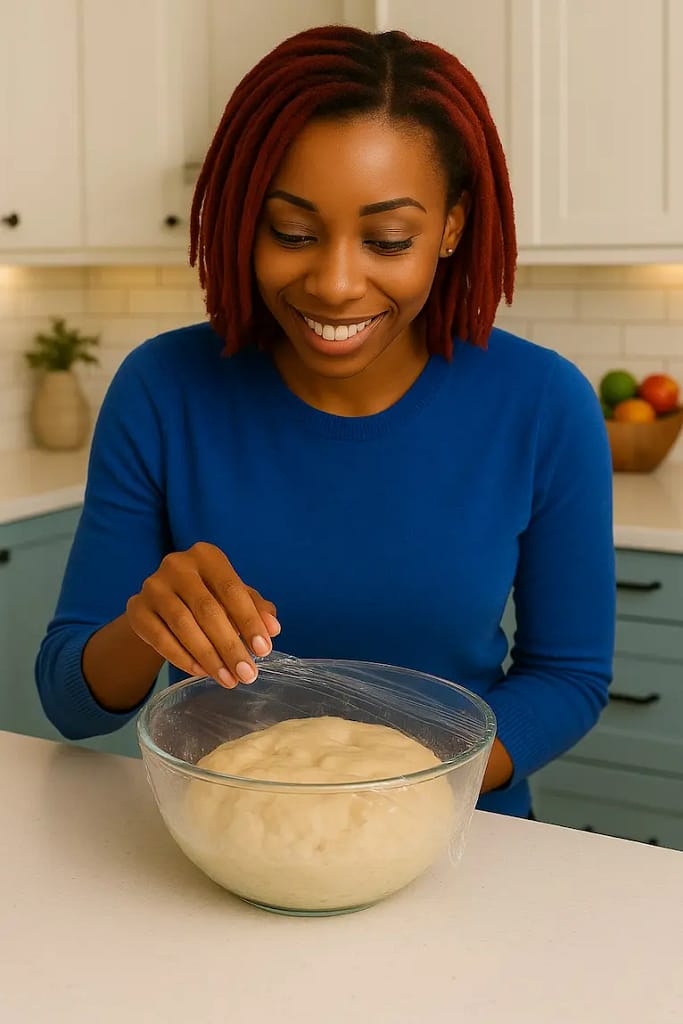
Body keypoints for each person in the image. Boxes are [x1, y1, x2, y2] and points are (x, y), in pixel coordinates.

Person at [35, 25, 615, 818]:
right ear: (245, 219)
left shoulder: (543, 403)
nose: (336, 283)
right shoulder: (164, 388)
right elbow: (70, 700)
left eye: (387, 239)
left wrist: (390, 800)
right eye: (293, 233)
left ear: (450, 226)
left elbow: (568, 675)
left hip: (458, 842)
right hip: (223, 840)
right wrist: (147, 625)